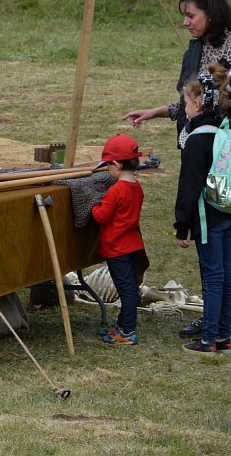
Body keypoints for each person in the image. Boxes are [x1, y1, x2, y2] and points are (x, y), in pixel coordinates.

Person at [122, 0, 231, 339]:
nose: (186, 22)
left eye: (191, 15)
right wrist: (156, 112)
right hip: (199, 151)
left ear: (210, 14)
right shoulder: (195, 49)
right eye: (184, 15)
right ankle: (215, 313)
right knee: (206, 231)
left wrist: (228, 95)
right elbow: (193, 100)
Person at [175, 64, 231, 355]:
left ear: (198, 103)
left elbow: (188, 187)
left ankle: (209, 339)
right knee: (227, 275)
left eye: (185, 103)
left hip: (207, 218)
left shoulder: (197, 140)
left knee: (213, 277)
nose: (184, 109)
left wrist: (181, 225)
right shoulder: (226, 135)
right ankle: (224, 335)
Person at [92, 134, 147, 346]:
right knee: (131, 288)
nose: (107, 170)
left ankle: (127, 331)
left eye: (108, 166)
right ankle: (124, 324)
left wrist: (94, 206)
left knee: (127, 292)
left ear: (116, 164)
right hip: (133, 245)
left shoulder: (115, 191)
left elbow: (102, 216)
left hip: (117, 249)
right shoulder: (136, 187)